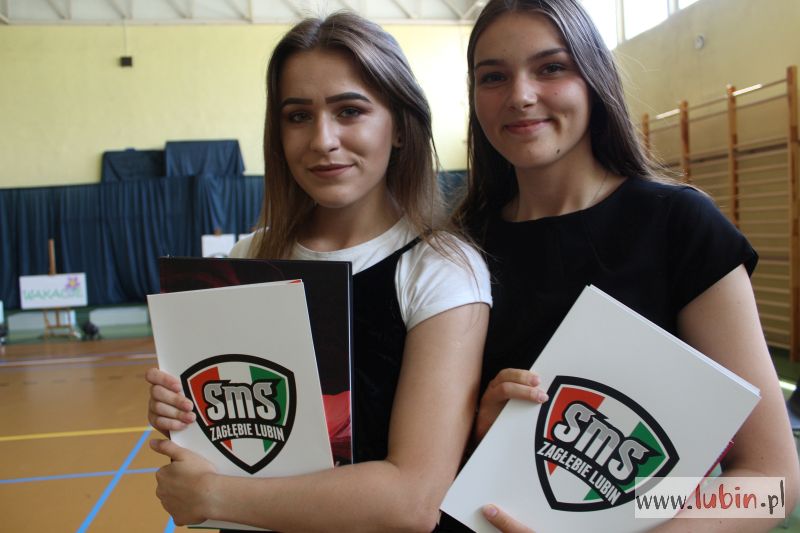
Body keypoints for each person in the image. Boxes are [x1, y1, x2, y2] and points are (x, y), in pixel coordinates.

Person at [450, 0, 800, 531]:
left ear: (594, 79)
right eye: (493, 76)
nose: (520, 95)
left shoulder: (679, 225)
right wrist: (479, 433)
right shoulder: (456, 247)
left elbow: (772, 480)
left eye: (551, 67)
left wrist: (633, 515)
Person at [145, 11, 491, 532]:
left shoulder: (441, 269)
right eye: (298, 116)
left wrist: (213, 495)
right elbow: (241, 437)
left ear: (400, 126)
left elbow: (414, 501)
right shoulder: (248, 257)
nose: (322, 139)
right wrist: (185, 412)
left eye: (350, 111)